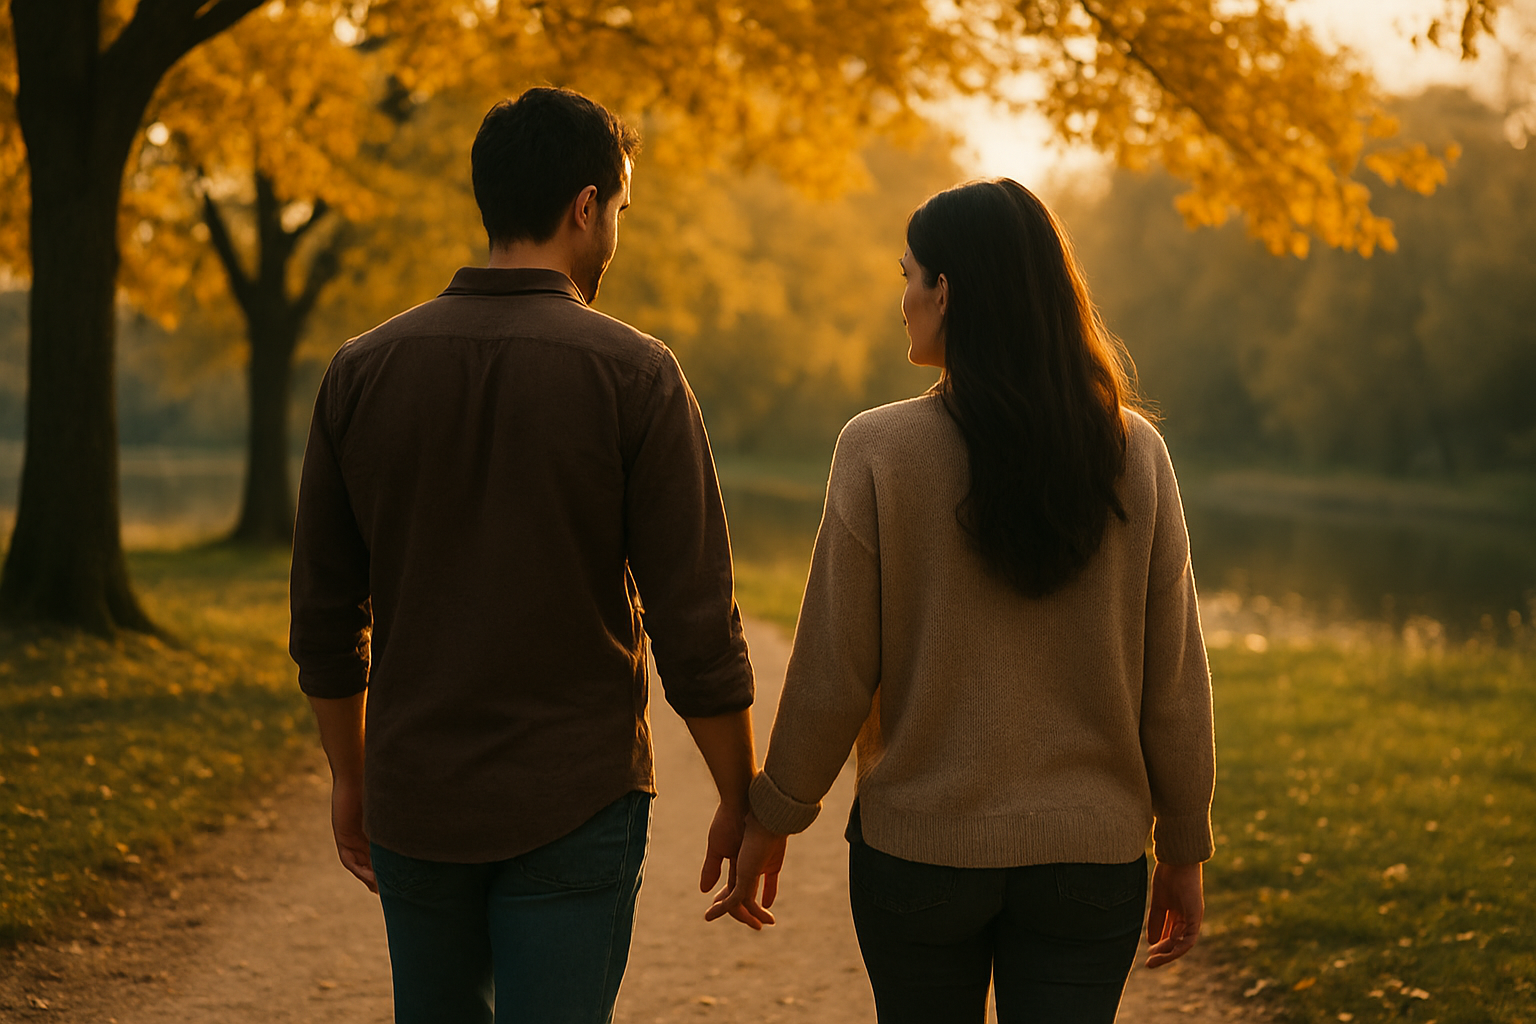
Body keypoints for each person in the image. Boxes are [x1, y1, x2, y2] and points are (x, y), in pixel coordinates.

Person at [289, 87, 761, 1024]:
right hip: (576, 796)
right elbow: (695, 621)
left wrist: (352, 775)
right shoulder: (637, 375)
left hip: (418, 793)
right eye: (619, 208)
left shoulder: (362, 370)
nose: (615, 230)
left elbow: (324, 616)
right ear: (586, 206)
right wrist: (739, 795)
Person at [708, 178, 1216, 1022]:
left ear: (946, 293)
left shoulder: (877, 449)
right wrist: (1185, 846)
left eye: (908, 276)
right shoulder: (1137, 452)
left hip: (919, 861)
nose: (901, 300)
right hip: (1088, 868)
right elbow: (1175, 678)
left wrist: (775, 812)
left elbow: (835, 666)